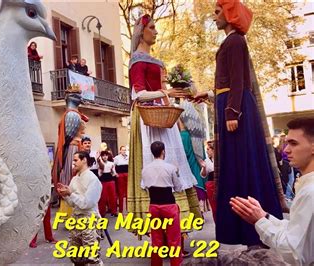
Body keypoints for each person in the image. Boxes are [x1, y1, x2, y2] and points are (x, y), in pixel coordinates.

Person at [192, 0, 283, 246]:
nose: (214, 17)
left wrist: (232, 111)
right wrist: (210, 96)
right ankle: (243, 227)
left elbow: (238, 81)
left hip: (235, 108)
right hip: (231, 105)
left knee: (241, 164)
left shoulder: (235, 41)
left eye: (217, 11)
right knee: (238, 164)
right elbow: (229, 82)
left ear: (230, 13)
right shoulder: (232, 41)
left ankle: (248, 228)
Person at [127, 13, 199, 227]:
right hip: (148, 116)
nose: (156, 31)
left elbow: (161, 91)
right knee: (158, 163)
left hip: (162, 113)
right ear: (142, 32)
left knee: (174, 161)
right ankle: (164, 229)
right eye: (152, 28)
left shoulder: (154, 61)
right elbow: (138, 94)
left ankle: (179, 228)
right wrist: (165, 92)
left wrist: (180, 91)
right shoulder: (137, 60)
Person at [230, 118, 314, 265]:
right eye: (287, 143)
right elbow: (298, 232)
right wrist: (264, 216)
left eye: (293, 143)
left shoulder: (310, 192)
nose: (286, 149)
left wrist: (260, 221)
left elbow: (293, 253)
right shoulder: (307, 187)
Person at [57, 151, 103, 265]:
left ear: (84, 160)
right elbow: (73, 204)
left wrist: (70, 194)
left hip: (89, 218)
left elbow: (86, 204)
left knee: (92, 257)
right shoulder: (74, 179)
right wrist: (65, 195)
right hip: (76, 218)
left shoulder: (93, 179)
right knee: (76, 256)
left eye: (76, 160)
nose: (73, 163)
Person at [141, 141, 183, 266]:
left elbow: (143, 186)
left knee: (156, 239)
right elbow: (179, 188)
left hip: (154, 206)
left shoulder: (145, 169)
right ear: (163, 151)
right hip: (169, 205)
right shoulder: (170, 168)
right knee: (174, 239)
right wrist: (178, 173)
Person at [51, 86, 89, 218]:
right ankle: (71, 212)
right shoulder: (72, 115)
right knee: (72, 177)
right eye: (77, 96)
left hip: (75, 147)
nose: (80, 98)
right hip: (73, 148)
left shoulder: (73, 114)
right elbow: (68, 137)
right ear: (71, 98)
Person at [97, 150, 118, 217]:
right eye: (103, 156)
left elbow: (114, 172)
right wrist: (102, 170)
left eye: (106, 155)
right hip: (103, 181)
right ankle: (102, 212)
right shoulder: (100, 164)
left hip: (110, 180)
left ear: (108, 156)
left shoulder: (111, 163)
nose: (105, 157)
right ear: (101, 157)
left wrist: (115, 174)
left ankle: (114, 211)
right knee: (103, 197)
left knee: (113, 196)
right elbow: (99, 174)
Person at [200, 140, 216, 221]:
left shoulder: (221, 158)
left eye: (208, 149)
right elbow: (203, 175)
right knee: (214, 206)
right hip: (211, 184)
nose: (207, 151)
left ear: (213, 149)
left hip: (220, 183)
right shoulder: (206, 161)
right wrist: (204, 167)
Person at [114, 146, 129, 213]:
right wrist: (115, 173)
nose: (124, 151)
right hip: (120, 175)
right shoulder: (117, 158)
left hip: (127, 174)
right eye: (122, 150)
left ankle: (128, 208)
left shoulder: (128, 157)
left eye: (125, 150)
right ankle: (121, 210)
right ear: (120, 151)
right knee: (121, 193)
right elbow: (113, 166)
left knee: (128, 192)